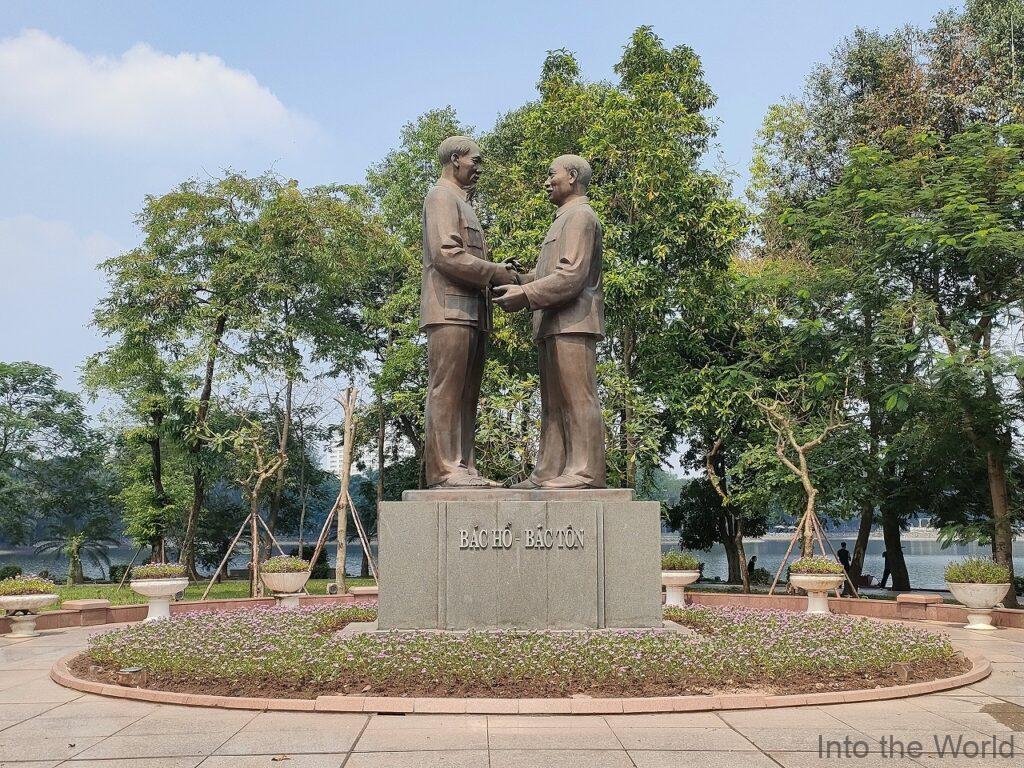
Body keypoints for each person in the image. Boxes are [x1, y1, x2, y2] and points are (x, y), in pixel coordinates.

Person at [493, 154, 606, 488]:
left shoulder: (581, 217)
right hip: (552, 323)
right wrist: (517, 278)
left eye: (551, 174)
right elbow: (548, 274)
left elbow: (571, 277)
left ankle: (585, 471)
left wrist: (525, 294)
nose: (546, 181)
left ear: (572, 177)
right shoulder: (563, 219)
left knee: (577, 397)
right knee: (553, 404)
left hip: (573, 322)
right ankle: (549, 471)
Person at [420, 136, 519, 488]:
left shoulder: (463, 202)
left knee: (466, 393)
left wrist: (500, 273)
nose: (479, 167)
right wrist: (496, 272)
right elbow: (447, 255)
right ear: (455, 159)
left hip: (471, 312)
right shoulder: (442, 197)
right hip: (449, 310)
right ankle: (446, 470)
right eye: (475, 160)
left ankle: (464, 467)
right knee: (447, 390)